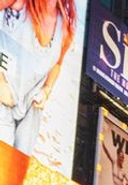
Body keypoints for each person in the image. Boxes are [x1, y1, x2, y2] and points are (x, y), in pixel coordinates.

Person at [0, 0, 79, 153]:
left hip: (30, 111)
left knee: (15, 172)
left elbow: (57, 64)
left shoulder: (66, 27)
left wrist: (46, 90)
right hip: (4, 99)